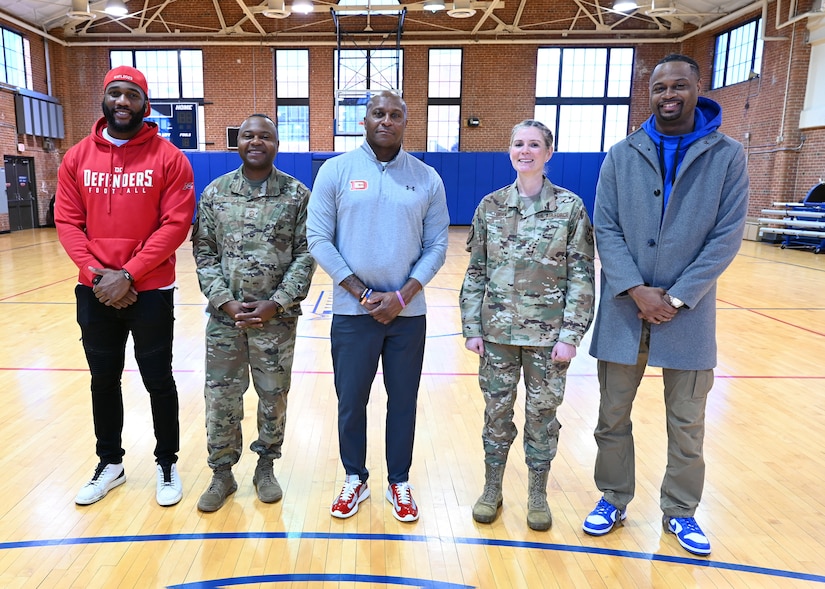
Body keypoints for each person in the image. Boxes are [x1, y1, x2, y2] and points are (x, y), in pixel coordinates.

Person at [582, 54, 749, 556]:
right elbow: (604, 226)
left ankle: (680, 511)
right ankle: (613, 497)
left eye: (679, 86)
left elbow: (727, 235)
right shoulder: (621, 153)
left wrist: (675, 295)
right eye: (659, 88)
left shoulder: (728, 154)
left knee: (688, 421)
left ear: (699, 88)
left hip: (688, 314)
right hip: (624, 309)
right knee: (612, 415)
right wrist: (635, 289)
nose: (668, 95)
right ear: (649, 94)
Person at [55, 65, 196, 507]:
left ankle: (167, 462)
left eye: (131, 96)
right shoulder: (76, 157)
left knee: (158, 379)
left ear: (145, 104)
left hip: (150, 290)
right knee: (103, 379)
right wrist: (101, 277)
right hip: (95, 290)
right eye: (115, 93)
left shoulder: (170, 158)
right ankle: (110, 463)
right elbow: (67, 222)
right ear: (104, 99)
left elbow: (175, 225)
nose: (122, 102)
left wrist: (129, 274)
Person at [307, 90, 450, 523]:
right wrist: (362, 294)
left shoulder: (427, 178)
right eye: (378, 114)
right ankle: (355, 477)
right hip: (354, 315)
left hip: (407, 317)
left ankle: (398, 481)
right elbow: (318, 239)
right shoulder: (335, 171)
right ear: (363, 120)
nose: (386, 120)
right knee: (351, 400)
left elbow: (438, 246)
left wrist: (403, 295)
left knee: (402, 401)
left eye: (395, 115)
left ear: (406, 122)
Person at [459, 120, 595, 531]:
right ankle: (492, 489)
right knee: (496, 415)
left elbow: (583, 276)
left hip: (548, 338)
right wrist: (472, 327)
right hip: (497, 335)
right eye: (518, 143)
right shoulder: (491, 206)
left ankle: (537, 493)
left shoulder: (569, 208)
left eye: (534, 144)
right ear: (510, 151)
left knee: (542, 415)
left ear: (548, 153)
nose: (525, 151)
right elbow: (476, 271)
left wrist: (571, 336)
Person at [191, 114, 316, 512]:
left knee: (272, 396)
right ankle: (222, 473)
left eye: (265, 136)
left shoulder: (297, 195)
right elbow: (204, 252)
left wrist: (276, 302)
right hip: (225, 320)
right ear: (237, 142)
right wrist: (223, 301)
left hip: (275, 322)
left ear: (277, 144)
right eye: (248, 135)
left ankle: (266, 466)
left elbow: (306, 254)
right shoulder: (215, 193)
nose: (256, 142)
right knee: (222, 398)